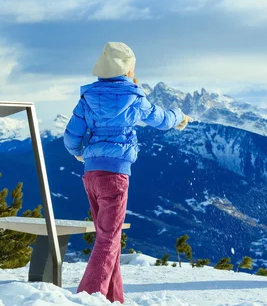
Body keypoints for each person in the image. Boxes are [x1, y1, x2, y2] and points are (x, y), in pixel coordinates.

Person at [63, 42, 193, 303]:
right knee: (109, 238)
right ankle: (89, 297)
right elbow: (160, 120)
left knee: (108, 237)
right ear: (128, 68)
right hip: (116, 174)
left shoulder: (87, 97)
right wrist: (178, 115)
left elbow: (70, 136)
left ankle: (114, 298)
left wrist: (80, 153)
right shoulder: (134, 96)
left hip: (91, 175)